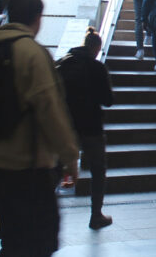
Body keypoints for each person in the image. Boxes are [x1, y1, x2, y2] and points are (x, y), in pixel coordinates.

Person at [0, 0, 80, 256]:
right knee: (40, 240)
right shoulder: (31, 52)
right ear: (37, 18)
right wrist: (70, 156)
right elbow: (50, 108)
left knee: (13, 237)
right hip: (25, 164)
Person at [56, 27, 114, 230]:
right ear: (97, 48)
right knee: (98, 170)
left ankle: (41, 211)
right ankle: (96, 214)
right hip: (91, 125)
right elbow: (108, 100)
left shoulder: (63, 63)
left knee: (54, 168)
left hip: (65, 124)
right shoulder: (96, 67)